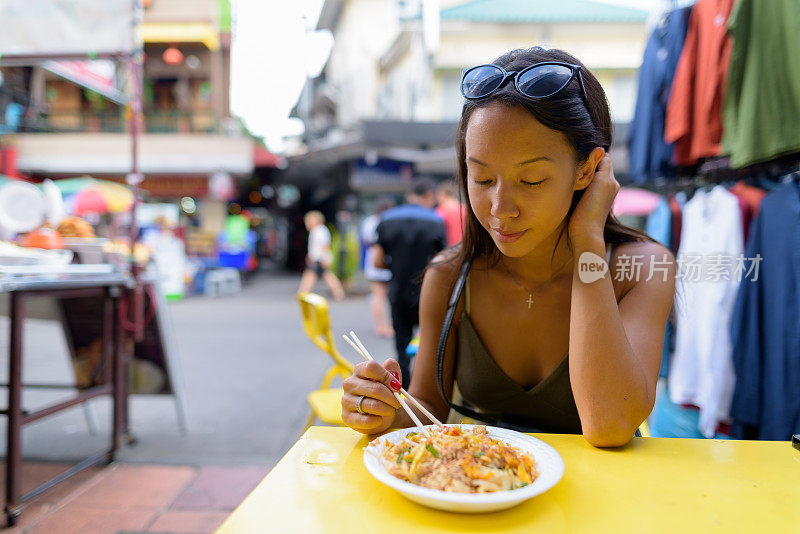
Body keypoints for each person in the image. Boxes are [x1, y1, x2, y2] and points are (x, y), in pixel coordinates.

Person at [341, 47, 676, 447]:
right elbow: (426, 410)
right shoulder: (449, 276)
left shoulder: (641, 268)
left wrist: (588, 238)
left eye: (531, 180)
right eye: (481, 179)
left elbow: (610, 424)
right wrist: (380, 409)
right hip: (482, 494)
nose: (500, 209)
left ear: (587, 170)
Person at [372, 177, 446, 387]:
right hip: (427, 293)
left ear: (409, 195)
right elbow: (443, 261)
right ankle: (425, 393)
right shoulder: (435, 220)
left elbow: (377, 261)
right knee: (429, 345)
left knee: (401, 345)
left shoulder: (386, 219)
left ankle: (403, 393)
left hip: (398, 291)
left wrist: (395, 267)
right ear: (429, 195)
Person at [360, 198, 395, 338]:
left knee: (378, 296)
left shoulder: (369, 222)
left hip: (373, 262)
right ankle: (390, 326)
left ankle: (379, 326)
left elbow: (365, 241)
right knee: (391, 297)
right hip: (389, 262)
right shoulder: (391, 221)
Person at [298, 211, 345, 301]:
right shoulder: (318, 230)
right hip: (317, 258)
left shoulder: (319, 230)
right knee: (325, 276)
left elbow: (324, 246)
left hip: (319, 259)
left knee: (311, 276)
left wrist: (325, 258)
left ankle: (302, 294)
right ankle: (339, 293)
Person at [435, 180, 466, 246]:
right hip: (464, 247)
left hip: (447, 249)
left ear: (442, 194)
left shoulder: (440, 211)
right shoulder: (465, 209)